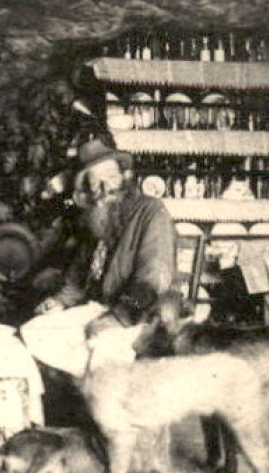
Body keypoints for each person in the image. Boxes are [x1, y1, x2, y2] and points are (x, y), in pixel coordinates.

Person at [18, 138, 178, 379]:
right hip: (99, 309)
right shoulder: (96, 217)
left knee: (102, 346)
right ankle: (94, 385)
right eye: (96, 183)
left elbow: (153, 278)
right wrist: (60, 301)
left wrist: (117, 318)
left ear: (125, 177)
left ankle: (107, 399)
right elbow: (79, 274)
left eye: (111, 178)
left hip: (141, 314)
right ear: (88, 190)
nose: (105, 189)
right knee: (33, 330)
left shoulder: (150, 211)